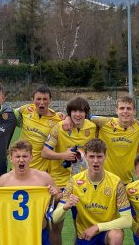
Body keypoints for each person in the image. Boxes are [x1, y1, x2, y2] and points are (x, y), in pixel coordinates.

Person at [0, 139, 60, 245]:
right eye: (17, 156)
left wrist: (55, 194)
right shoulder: (4, 180)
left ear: (31, 157)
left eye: (25, 156)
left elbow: (59, 196)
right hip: (10, 229)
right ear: (11, 158)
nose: (21, 160)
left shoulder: (44, 177)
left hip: (36, 230)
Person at [51, 138, 132, 245]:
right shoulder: (74, 181)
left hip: (106, 233)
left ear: (105, 156)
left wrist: (97, 227)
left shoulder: (116, 182)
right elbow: (55, 218)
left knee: (116, 235)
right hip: (85, 235)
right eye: (92, 156)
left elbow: (127, 220)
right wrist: (65, 207)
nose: (95, 161)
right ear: (86, 157)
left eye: (99, 156)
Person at [42, 96, 98, 245]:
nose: (78, 114)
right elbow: (44, 153)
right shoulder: (59, 127)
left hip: (82, 182)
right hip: (59, 182)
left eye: (81, 111)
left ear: (86, 113)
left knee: (81, 226)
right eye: (74, 111)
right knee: (56, 225)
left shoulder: (93, 127)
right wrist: (63, 155)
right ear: (69, 113)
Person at [85, 95, 139, 183]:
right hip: (105, 181)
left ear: (134, 111)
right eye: (122, 108)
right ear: (116, 110)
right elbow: (85, 115)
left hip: (126, 181)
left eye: (129, 108)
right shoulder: (105, 122)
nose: (125, 111)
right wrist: (68, 118)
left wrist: (138, 148)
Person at [14, 85, 64, 176]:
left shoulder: (57, 120)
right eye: (38, 99)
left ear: (50, 100)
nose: (41, 102)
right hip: (20, 166)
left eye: (45, 99)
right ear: (33, 100)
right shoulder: (26, 109)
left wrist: (67, 118)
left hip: (40, 171)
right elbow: (10, 113)